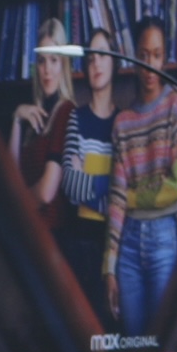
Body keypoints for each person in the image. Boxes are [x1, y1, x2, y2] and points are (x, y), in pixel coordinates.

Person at [102, 15, 177, 335]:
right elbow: (116, 197)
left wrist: (134, 196)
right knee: (133, 345)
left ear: (164, 57)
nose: (149, 64)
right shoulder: (123, 122)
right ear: (133, 57)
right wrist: (109, 266)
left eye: (156, 54)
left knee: (165, 343)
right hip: (126, 246)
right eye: (143, 55)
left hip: (163, 239)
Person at [57, 25, 121, 306]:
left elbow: (124, 196)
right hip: (79, 243)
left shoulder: (124, 121)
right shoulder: (76, 119)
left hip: (114, 245)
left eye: (103, 56)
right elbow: (68, 184)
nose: (96, 63)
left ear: (115, 62)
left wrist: (89, 184)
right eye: (91, 57)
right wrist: (107, 186)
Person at [11, 15, 76, 215]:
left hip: (50, 236)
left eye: (54, 60)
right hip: (26, 234)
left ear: (63, 65)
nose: (47, 70)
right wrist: (16, 119)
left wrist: (18, 206)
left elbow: (47, 192)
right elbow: (10, 177)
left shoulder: (66, 111)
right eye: (41, 61)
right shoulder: (34, 115)